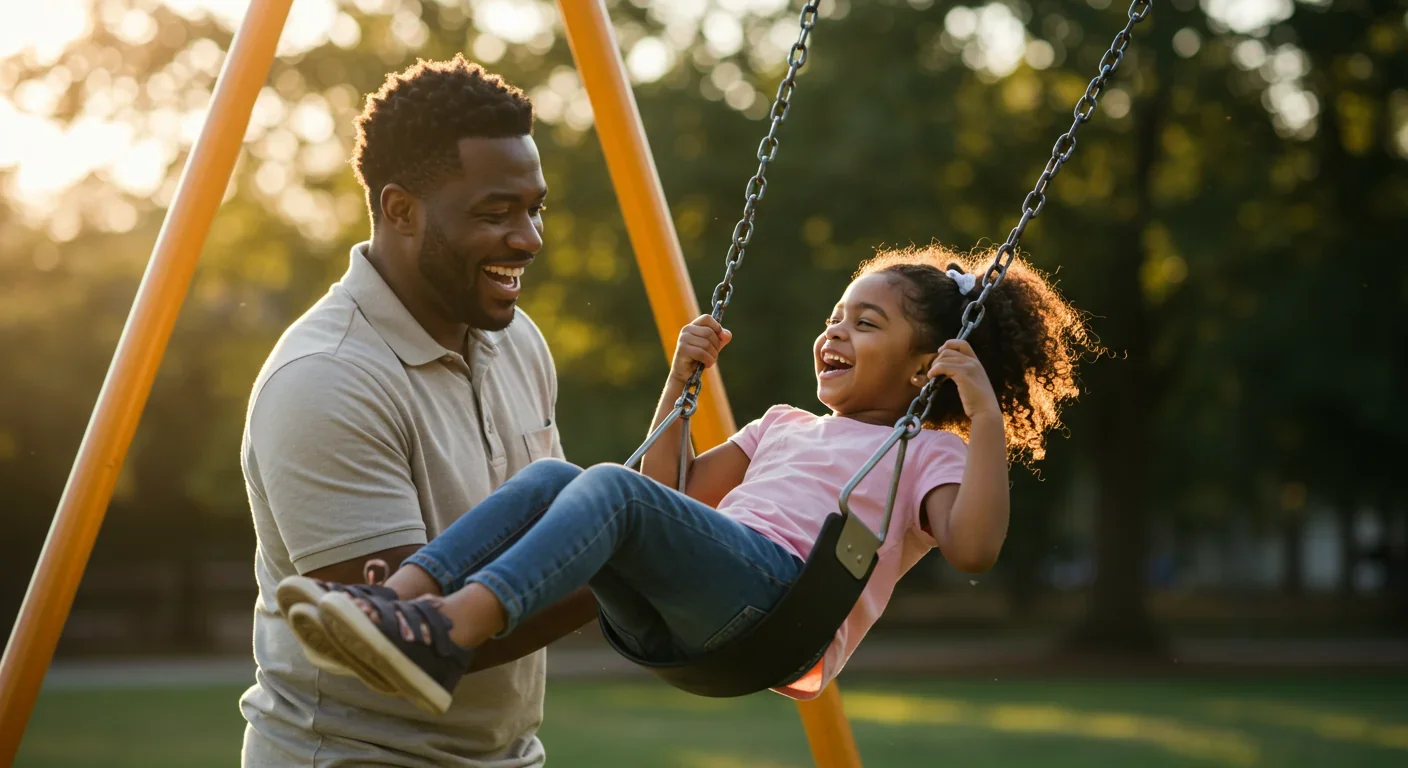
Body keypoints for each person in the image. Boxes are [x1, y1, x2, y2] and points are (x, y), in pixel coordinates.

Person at [278, 242, 1095, 714]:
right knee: (563, 478)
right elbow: (667, 497)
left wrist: (983, 416)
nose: (834, 334)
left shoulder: (930, 452)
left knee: (604, 487)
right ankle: (400, 603)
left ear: (927, 368)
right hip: (686, 611)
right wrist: (680, 386)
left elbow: (977, 547)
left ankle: (450, 633)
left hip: (777, 604)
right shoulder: (783, 424)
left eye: (865, 324)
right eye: (834, 318)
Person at [240, 56, 597, 767]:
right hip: (356, 755)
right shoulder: (327, 379)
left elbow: (541, 537)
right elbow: (417, 644)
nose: (529, 238)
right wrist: (638, 550)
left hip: (508, 754)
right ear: (400, 210)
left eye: (535, 208)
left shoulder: (517, 340)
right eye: (496, 213)